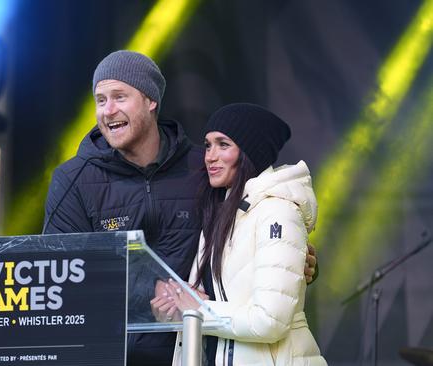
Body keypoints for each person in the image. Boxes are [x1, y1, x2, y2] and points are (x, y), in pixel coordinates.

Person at [43, 51, 318, 365]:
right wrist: (152, 289)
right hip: (109, 355)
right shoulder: (73, 179)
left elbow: (251, 231)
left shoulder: (203, 167)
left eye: (120, 97)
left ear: (151, 101)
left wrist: (296, 258)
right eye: (101, 100)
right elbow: (59, 274)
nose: (108, 111)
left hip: (192, 351)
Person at [153, 103, 327, 365]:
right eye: (208, 145)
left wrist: (197, 310)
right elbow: (211, 300)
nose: (210, 156)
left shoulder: (277, 211)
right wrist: (172, 307)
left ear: (249, 152)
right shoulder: (221, 212)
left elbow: (270, 321)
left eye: (223, 144)